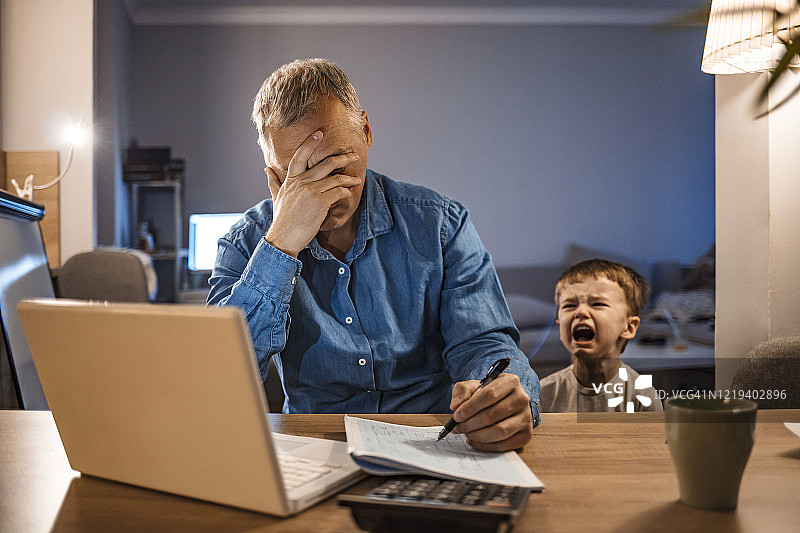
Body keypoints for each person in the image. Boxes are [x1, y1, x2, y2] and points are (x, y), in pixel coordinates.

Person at [207, 58, 540, 451]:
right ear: (274, 175)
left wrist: (498, 396)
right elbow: (218, 378)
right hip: (314, 445)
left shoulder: (440, 224)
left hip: (435, 440)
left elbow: (483, 344)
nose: (328, 191)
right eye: (301, 176)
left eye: (336, 164)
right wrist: (280, 246)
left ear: (365, 131)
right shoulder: (246, 243)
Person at [539, 259, 662, 412]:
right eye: (569, 305)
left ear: (629, 327)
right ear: (560, 327)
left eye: (598, 304)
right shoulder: (544, 393)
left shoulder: (642, 394)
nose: (580, 312)